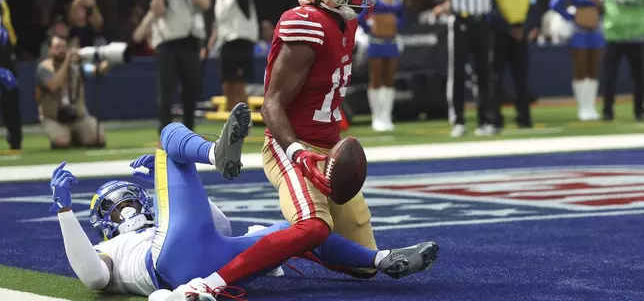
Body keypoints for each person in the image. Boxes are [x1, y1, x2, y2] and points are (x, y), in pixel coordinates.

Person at [171, 0, 439, 300]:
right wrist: (298, 152)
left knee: (360, 266)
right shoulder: (305, 23)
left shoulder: (347, 19)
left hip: (329, 148)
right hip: (290, 144)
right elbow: (271, 105)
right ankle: (210, 285)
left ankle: (274, 235)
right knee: (314, 226)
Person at [51, 107, 435, 300]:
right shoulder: (106, 247)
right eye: (117, 210)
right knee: (168, 135)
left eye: (129, 201)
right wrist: (65, 212)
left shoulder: (157, 222)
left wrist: (168, 191)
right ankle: (213, 153)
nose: (127, 210)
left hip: (211, 256)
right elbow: (94, 278)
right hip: (163, 264)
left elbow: (218, 227)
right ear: (105, 225)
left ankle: (381, 259)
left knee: (298, 232)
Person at [424, 0, 529, 137]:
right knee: (458, 73)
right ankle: (458, 121)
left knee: (484, 74)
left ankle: (486, 120)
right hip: (461, 23)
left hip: (482, 24)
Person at [149, 0, 211, 132]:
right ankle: (165, 131)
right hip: (168, 45)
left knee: (191, 91)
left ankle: (189, 129)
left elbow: (206, 4)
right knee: (166, 92)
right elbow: (156, 9)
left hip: (190, 44)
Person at [549, 0, 604, 121]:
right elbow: (554, 3)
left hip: (595, 31)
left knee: (593, 69)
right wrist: (570, 15)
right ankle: (583, 107)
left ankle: (591, 106)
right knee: (580, 68)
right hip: (579, 31)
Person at [489, 0, 540, 129]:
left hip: (500, 34)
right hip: (521, 33)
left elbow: (492, 8)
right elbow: (534, 6)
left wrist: (508, 28)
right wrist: (525, 28)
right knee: (521, 78)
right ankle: (524, 117)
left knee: (496, 77)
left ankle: (496, 117)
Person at [205, 0, 259, 111]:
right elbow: (218, 24)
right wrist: (208, 46)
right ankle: (232, 124)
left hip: (241, 43)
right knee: (227, 85)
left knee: (239, 85)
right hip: (226, 44)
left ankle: (245, 123)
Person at [35, 35, 105, 149]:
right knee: (62, 142)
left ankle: (77, 136)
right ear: (50, 50)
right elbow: (54, 86)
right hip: (53, 118)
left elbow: (97, 71)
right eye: (57, 47)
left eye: (64, 47)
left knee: (98, 138)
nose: (62, 50)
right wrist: (67, 60)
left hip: (77, 116)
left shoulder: (77, 67)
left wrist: (111, 59)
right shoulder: (43, 68)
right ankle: (66, 136)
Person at [357, 0, 404, 132]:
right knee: (376, 78)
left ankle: (387, 115)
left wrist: (394, 24)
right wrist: (372, 28)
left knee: (389, 78)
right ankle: (376, 117)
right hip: (376, 41)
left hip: (391, 40)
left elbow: (402, 17)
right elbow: (361, 17)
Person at [0, 0, 22, 151]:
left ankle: (15, 142)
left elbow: (10, 36)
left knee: (11, 98)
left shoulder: (4, 6)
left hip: (6, 59)